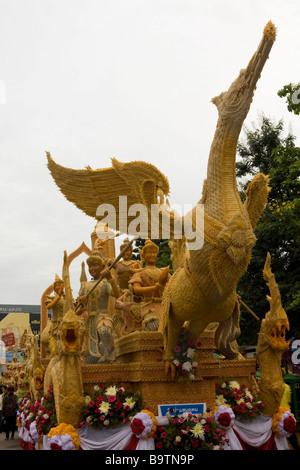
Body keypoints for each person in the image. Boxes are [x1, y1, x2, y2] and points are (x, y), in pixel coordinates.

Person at [77, 246, 120, 364]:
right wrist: (82, 302)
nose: (92, 268)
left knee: (104, 330)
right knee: (90, 356)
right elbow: (77, 311)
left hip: (103, 316)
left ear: (101, 267)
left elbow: (116, 294)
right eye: (90, 266)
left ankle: (110, 355)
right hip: (90, 321)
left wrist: (110, 278)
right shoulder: (85, 286)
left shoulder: (105, 283)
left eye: (95, 265)